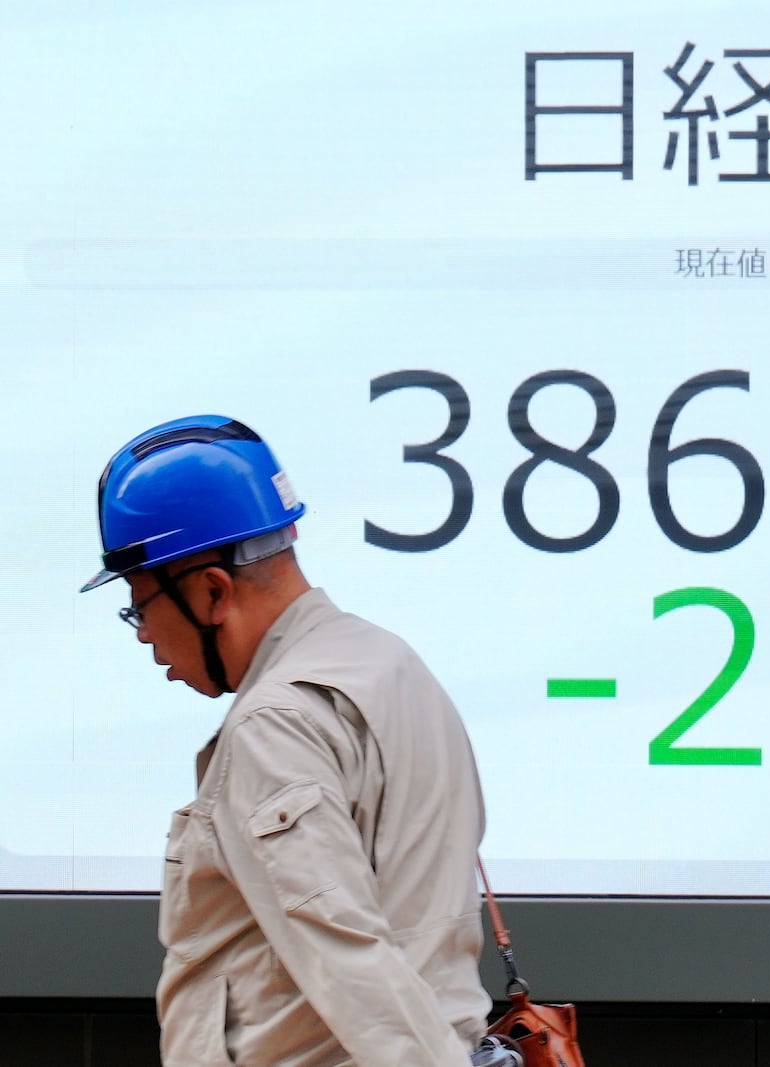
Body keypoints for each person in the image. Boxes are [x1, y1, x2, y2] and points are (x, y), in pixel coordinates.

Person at [80, 415, 492, 1066]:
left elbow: (348, 959)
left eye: (139, 601)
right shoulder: (393, 666)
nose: (140, 632)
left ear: (211, 590)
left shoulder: (275, 724)